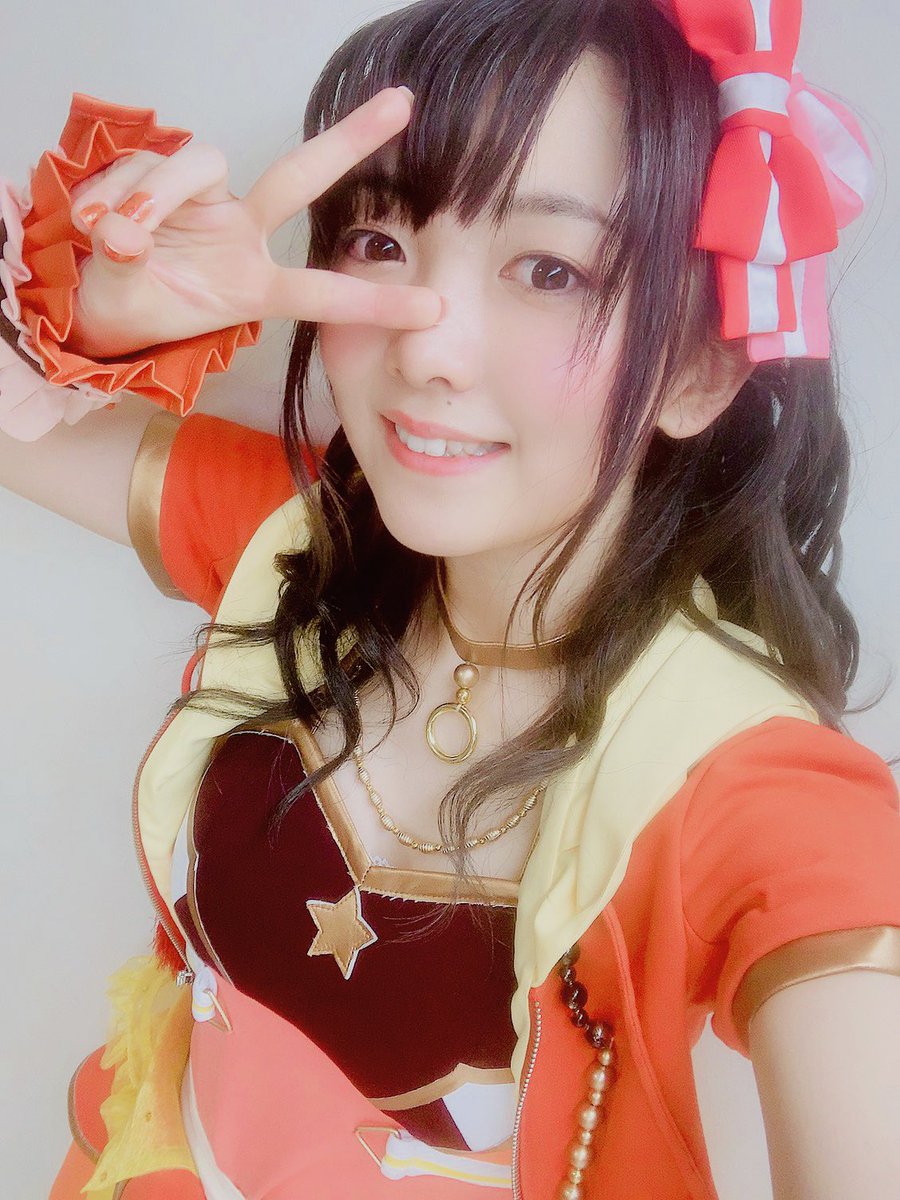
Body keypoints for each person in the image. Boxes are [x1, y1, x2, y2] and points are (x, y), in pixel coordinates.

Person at [2, 0, 899, 1197]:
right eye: (380, 242)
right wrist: (90, 318)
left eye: (550, 269)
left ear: (695, 369)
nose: (427, 347)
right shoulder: (298, 543)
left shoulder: (752, 786)